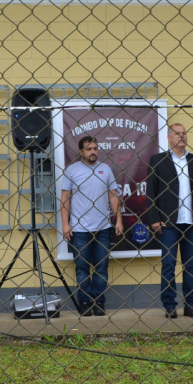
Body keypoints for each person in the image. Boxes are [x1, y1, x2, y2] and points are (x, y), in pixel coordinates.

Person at [146, 123, 193, 319]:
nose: (181, 136)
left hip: (190, 222)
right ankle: (169, 305)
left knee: (190, 266)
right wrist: (154, 219)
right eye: (177, 134)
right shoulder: (158, 161)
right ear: (169, 138)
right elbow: (151, 193)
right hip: (169, 223)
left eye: (184, 133)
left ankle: (191, 305)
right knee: (168, 265)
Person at [60, 136, 124, 317]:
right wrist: (65, 225)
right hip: (80, 230)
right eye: (89, 149)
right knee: (82, 268)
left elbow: (113, 196)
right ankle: (85, 302)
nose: (93, 152)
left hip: (103, 228)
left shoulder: (106, 169)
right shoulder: (71, 170)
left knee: (101, 268)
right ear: (81, 152)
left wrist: (118, 220)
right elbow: (65, 199)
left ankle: (99, 302)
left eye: (95, 148)